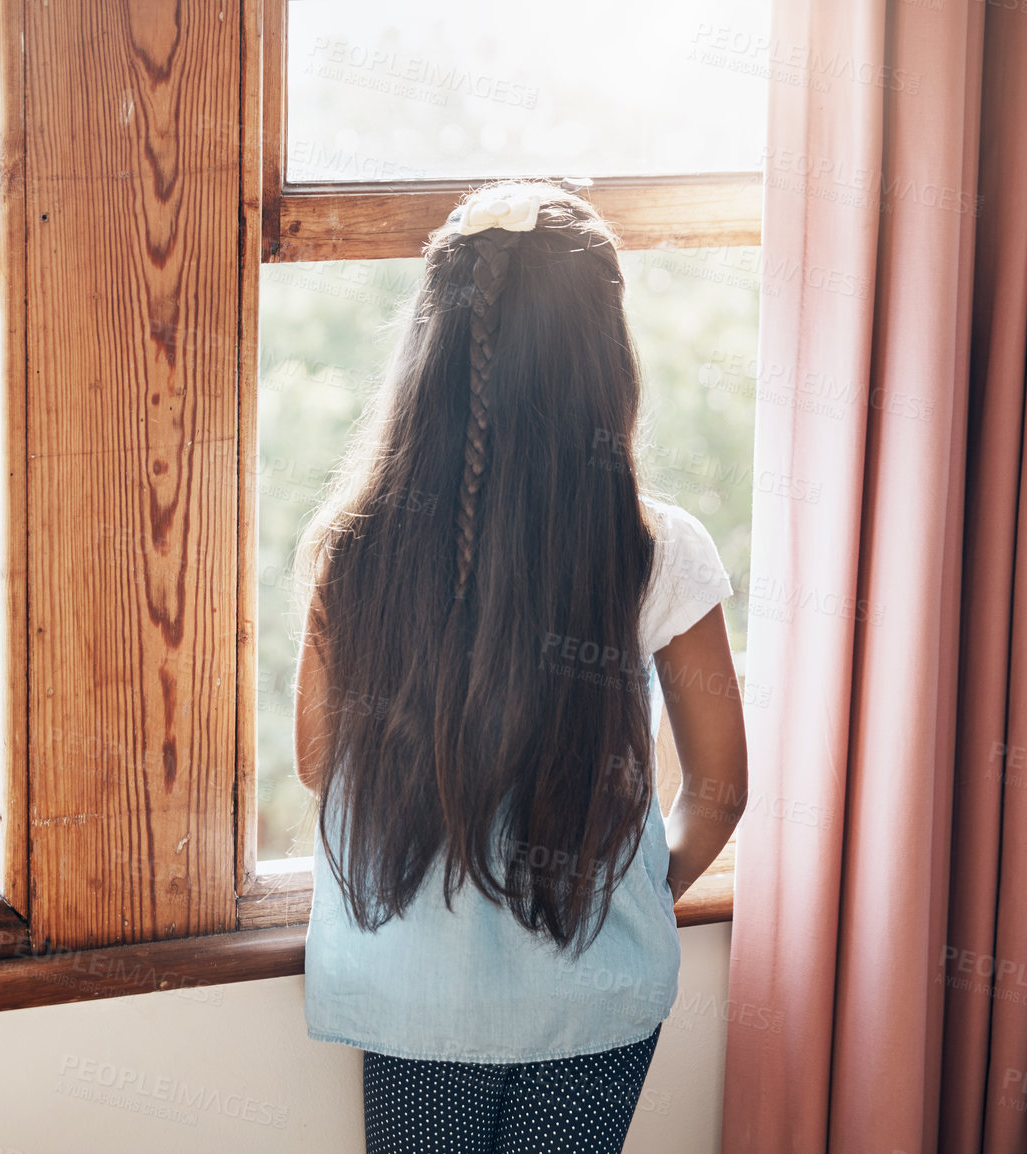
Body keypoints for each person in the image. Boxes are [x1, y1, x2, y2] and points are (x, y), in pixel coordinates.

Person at [293, 180, 750, 1154]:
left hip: (417, 984)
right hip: (595, 982)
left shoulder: (355, 547)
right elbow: (718, 790)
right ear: (602, 358)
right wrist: (628, 894)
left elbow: (320, 761)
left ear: (430, 350)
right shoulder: (656, 547)